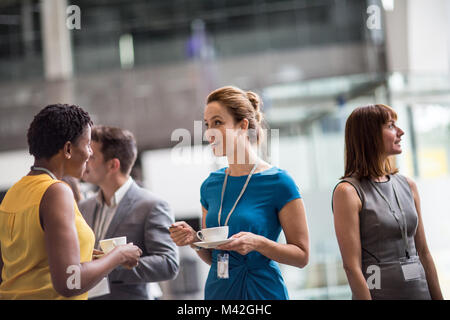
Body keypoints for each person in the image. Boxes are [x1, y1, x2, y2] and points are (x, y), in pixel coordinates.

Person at [169, 86, 309, 300]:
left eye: (218, 122)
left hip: (262, 291)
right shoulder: (211, 186)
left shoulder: (279, 182)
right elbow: (215, 255)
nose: (209, 132)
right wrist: (193, 240)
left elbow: (301, 256)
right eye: (207, 124)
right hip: (219, 291)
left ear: (243, 126)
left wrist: (258, 243)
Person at [0, 104, 142, 300]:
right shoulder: (56, 192)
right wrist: (119, 255)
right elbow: (70, 281)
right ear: (68, 149)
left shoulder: (14, 192)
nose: (90, 153)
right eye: (87, 144)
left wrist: (86, 255)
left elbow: (28, 261)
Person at [332, 104, 443, 300]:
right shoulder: (347, 192)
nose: (400, 132)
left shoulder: (408, 185)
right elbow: (352, 267)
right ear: (370, 135)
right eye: (391, 126)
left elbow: (424, 253)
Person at [79, 125, 179, 300]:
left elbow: (168, 264)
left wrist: (110, 265)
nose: (85, 160)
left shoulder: (152, 205)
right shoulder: (83, 207)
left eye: (92, 156)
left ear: (113, 165)